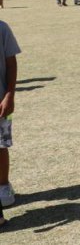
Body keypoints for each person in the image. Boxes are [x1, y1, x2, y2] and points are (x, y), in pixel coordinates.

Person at [0, 19, 20, 213]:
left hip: (0, 103)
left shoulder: (2, 28)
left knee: (0, 145)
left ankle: (3, 186)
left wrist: (9, 95)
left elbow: (11, 64)